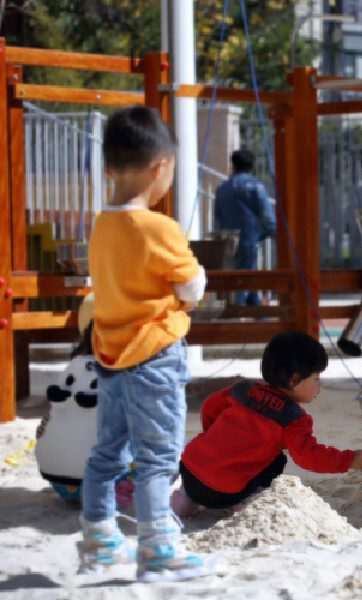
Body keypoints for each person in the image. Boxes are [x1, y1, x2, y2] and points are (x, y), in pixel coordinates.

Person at [79, 105, 216, 582]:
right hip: (156, 357)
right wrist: (192, 283)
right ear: (161, 168)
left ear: (109, 167)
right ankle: (157, 546)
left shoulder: (101, 226)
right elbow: (192, 287)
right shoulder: (160, 228)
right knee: (157, 457)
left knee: (107, 452)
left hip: (111, 356)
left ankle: (98, 540)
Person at [170, 331, 362, 518]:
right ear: (295, 379)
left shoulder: (243, 389)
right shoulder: (293, 418)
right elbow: (308, 457)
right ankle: (248, 501)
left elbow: (210, 406)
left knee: (210, 464)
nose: (320, 385)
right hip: (225, 493)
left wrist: (214, 437)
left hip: (188, 470)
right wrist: (349, 460)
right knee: (276, 461)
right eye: (316, 378)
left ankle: (186, 500)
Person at [35, 296, 134, 510]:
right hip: (106, 481)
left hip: (61, 482)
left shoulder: (74, 366)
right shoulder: (124, 369)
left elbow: (46, 423)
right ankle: (120, 490)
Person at [214, 149, 276, 306]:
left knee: (237, 279)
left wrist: (218, 242)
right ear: (251, 166)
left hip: (228, 241)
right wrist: (276, 235)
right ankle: (244, 315)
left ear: (233, 166)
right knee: (247, 279)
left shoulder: (222, 189)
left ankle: (253, 313)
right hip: (250, 238)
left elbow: (218, 220)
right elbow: (267, 216)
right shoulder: (255, 186)